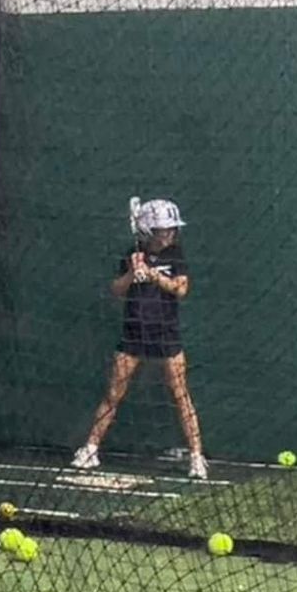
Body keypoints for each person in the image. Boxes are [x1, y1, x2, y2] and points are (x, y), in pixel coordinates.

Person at [71, 197, 206, 480]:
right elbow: (117, 290)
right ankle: (90, 449)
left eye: (170, 228)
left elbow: (181, 290)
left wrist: (155, 276)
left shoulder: (176, 255)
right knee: (113, 394)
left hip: (166, 334)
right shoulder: (132, 255)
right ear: (147, 230)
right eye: (161, 229)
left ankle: (196, 457)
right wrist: (134, 273)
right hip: (133, 334)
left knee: (181, 396)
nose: (168, 233)